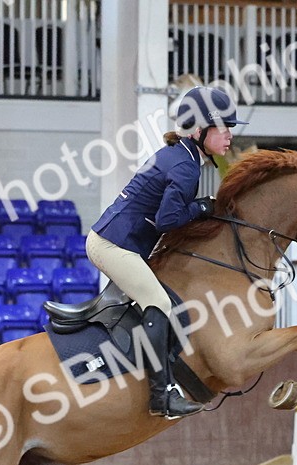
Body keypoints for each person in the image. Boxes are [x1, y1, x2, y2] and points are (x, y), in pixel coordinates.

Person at [87, 86, 246, 419]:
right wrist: (203, 206)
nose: (230, 135)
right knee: (159, 303)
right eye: (223, 128)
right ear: (199, 130)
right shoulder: (186, 166)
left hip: (119, 241)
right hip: (113, 245)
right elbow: (167, 220)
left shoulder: (182, 155)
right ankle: (161, 397)